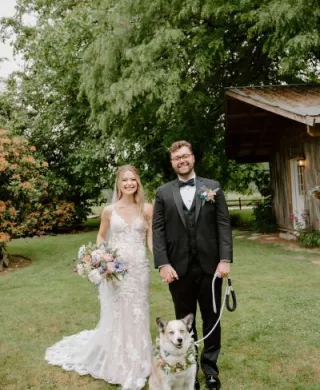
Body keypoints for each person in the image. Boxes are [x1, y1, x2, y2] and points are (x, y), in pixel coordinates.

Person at [45, 165, 153, 390]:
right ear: (119, 183)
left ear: (138, 182)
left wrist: (162, 262)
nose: (129, 183)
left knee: (138, 311)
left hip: (139, 269)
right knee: (118, 313)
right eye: (125, 180)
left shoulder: (147, 209)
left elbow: (151, 240)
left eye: (133, 180)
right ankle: (118, 361)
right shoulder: (109, 211)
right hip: (115, 270)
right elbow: (102, 235)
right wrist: (101, 259)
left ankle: (140, 359)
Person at [152, 140, 233, 390]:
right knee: (183, 325)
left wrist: (225, 258)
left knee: (212, 320)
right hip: (178, 270)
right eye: (177, 158)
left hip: (211, 268)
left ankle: (210, 370)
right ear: (172, 162)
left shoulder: (213, 188)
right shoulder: (163, 193)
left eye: (185, 156)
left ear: (193, 158)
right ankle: (190, 372)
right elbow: (158, 230)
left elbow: (223, 225)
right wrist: (163, 264)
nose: (182, 161)